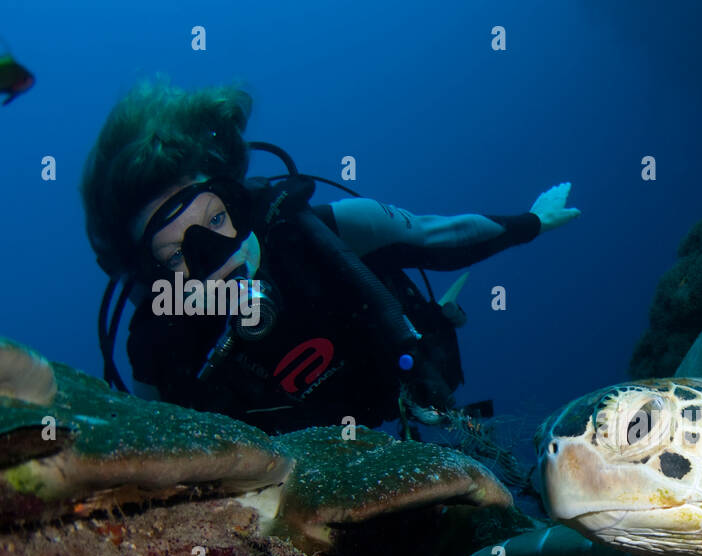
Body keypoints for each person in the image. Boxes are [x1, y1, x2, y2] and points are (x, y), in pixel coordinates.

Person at [81, 80, 579, 434]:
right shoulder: (159, 349)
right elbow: (156, 442)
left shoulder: (323, 231)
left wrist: (532, 221)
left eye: (215, 221)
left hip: (393, 393)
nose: (216, 257)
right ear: (152, 277)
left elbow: (439, 235)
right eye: (176, 254)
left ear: (237, 201)